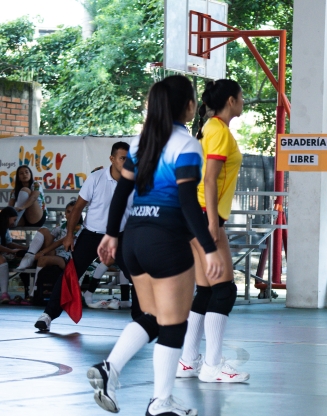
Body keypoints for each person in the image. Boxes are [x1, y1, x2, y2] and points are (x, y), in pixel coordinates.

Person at [87, 75, 223, 415]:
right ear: (189, 106)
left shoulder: (139, 143)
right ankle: (160, 401)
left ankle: (110, 369)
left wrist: (110, 234)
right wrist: (208, 248)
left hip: (134, 239)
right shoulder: (187, 145)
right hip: (167, 240)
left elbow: (122, 192)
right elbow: (188, 203)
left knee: (152, 316)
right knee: (174, 323)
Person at [177, 79, 249, 383]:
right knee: (225, 289)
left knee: (206, 290)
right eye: (242, 97)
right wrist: (210, 225)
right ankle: (212, 366)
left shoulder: (211, 127)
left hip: (196, 214)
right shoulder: (218, 130)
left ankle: (187, 361)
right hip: (206, 215)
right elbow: (209, 179)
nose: (244, 101)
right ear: (231, 100)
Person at [33, 142, 134, 332]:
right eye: (123, 158)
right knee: (70, 274)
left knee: (136, 274)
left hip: (120, 237)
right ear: (112, 159)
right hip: (92, 235)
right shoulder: (96, 178)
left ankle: (141, 319)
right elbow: (78, 208)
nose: (127, 162)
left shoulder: (134, 181)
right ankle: (47, 315)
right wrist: (69, 235)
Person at [0, 206, 25, 303]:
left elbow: (9, 243)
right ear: (7, 217)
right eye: (13, 220)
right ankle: (4, 293)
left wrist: (25, 248)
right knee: (1, 259)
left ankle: (4, 293)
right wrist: (11, 251)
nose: (14, 223)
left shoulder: (4, 228)